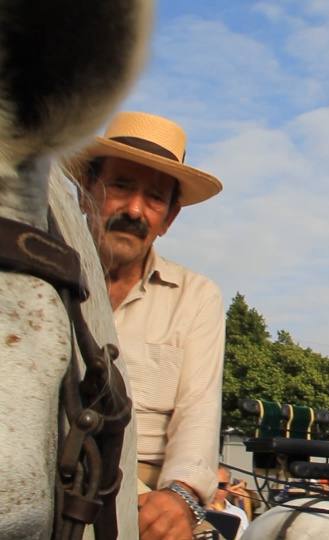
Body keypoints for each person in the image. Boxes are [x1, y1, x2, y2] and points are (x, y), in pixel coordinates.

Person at [78, 111, 225, 540]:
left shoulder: (195, 296)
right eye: (121, 186)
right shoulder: (41, 275)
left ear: (169, 218)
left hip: (146, 498)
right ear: (86, 190)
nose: (135, 210)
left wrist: (180, 497)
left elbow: (198, 414)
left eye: (155, 198)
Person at [208, 466, 250, 539]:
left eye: (221, 485)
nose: (215, 490)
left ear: (228, 486)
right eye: (210, 484)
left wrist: (222, 515)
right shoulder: (195, 510)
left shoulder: (238, 513)